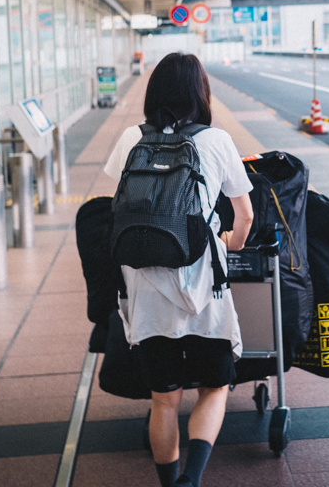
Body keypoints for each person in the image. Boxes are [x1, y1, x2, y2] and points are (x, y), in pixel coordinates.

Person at [103, 53, 254, 487]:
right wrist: (228, 243)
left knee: (163, 401)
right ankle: (193, 477)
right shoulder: (215, 140)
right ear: (200, 93)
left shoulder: (131, 137)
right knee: (214, 386)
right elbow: (242, 218)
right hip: (204, 286)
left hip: (146, 289)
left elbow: (116, 204)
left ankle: (169, 484)